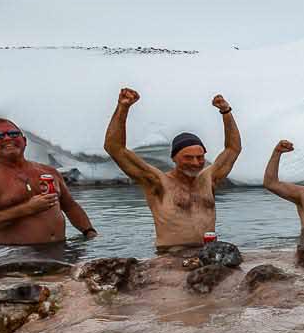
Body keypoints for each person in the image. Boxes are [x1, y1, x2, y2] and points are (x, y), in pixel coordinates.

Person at [103, 87, 241, 248]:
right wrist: (123, 107)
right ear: (174, 158)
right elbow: (115, 148)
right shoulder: (157, 182)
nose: (195, 163)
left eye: (200, 157)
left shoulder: (209, 179)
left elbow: (232, 149)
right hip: (170, 254)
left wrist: (226, 112)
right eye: (188, 157)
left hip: (207, 252)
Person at [0, 118, 97, 245]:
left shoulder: (49, 172)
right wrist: (27, 209)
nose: (7, 138)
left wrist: (89, 231)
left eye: (13, 134)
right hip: (16, 255)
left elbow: (70, 206)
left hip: (60, 249)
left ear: (24, 141)